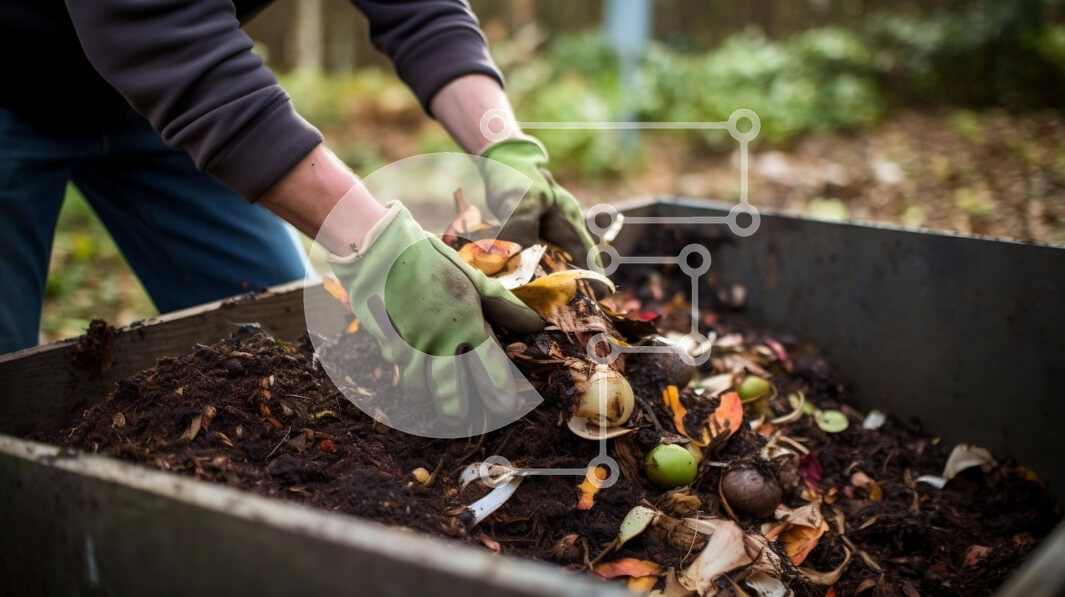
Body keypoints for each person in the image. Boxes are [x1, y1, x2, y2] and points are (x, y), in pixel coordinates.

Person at [0, 0, 598, 417]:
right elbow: (158, 25)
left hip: (153, 110)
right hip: (61, 79)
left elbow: (422, 11)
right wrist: (374, 243)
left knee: (286, 359)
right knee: (12, 394)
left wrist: (504, 147)